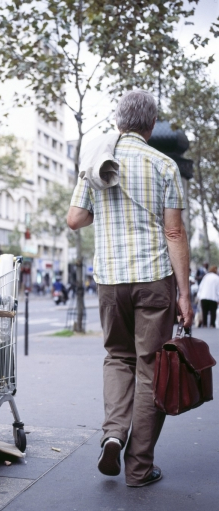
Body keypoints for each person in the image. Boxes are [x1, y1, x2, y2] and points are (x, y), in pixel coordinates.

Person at [67, 90, 193, 488]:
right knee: (150, 368)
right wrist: (185, 295)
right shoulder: (163, 165)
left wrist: (104, 206)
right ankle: (139, 469)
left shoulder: (96, 161)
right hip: (153, 279)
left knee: (117, 358)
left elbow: (75, 219)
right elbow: (174, 232)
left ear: (119, 121)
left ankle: (113, 433)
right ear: (151, 125)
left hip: (110, 279)